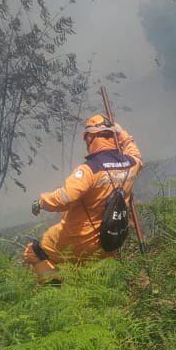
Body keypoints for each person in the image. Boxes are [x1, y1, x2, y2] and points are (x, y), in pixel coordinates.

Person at [23, 114, 141, 283]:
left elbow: (66, 197)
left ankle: (54, 291)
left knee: (34, 252)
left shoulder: (89, 170)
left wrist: (41, 202)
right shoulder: (131, 164)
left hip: (80, 241)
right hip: (110, 240)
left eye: (87, 139)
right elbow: (134, 151)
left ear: (91, 137)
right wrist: (121, 132)